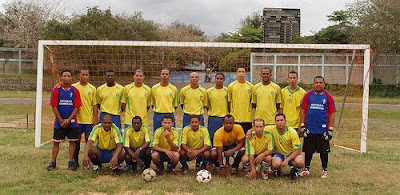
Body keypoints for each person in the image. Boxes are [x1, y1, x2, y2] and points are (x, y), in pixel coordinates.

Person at [300, 76, 336, 179]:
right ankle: (306, 169)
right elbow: (303, 110)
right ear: (314, 84)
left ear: (324, 84)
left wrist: (331, 129)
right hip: (310, 128)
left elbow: (332, 113)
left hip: (322, 129)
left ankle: (324, 170)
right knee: (308, 151)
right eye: (316, 82)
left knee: (324, 151)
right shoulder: (308, 95)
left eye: (320, 82)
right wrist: (302, 125)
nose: (318, 84)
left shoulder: (328, 96)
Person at [47, 69, 81, 171]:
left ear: (71, 78)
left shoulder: (75, 91)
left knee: (72, 142)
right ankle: (53, 163)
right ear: (61, 78)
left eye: (68, 76)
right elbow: (54, 106)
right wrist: (61, 120)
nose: (66, 78)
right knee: (56, 142)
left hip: (72, 121)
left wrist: (68, 120)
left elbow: (77, 107)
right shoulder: (57, 90)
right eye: (64, 76)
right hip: (59, 122)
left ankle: (70, 162)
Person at [72, 68, 98, 167]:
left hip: (88, 120)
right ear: (79, 75)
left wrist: (95, 119)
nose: (84, 77)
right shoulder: (74, 87)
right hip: (77, 120)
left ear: (89, 76)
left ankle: (90, 162)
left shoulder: (92, 88)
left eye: (86, 75)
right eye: (83, 75)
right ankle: (75, 162)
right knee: (76, 142)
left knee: (89, 142)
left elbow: (94, 105)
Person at [267, 114, 304, 180]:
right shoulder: (271, 129)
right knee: (275, 164)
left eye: (281, 120)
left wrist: (286, 160)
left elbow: (298, 150)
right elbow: (259, 128)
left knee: (300, 162)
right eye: (277, 120)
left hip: (290, 153)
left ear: (285, 121)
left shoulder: (292, 132)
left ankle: (294, 171)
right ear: (275, 122)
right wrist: (250, 131)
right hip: (279, 153)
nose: (280, 122)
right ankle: (277, 170)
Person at [228, 67, 253, 133]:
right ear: (236, 73)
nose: (241, 73)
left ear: (246, 73)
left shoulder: (251, 86)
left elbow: (253, 102)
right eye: (239, 72)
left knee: (247, 139)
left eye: (243, 72)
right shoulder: (231, 86)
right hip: (235, 117)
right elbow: (229, 101)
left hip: (247, 118)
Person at [206, 73, 229, 142]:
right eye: (217, 79)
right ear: (215, 79)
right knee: (212, 137)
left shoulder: (227, 91)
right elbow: (207, 105)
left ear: (224, 80)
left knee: (223, 138)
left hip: (224, 118)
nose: (219, 80)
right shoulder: (209, 91)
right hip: (213, 118)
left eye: (221, 79)